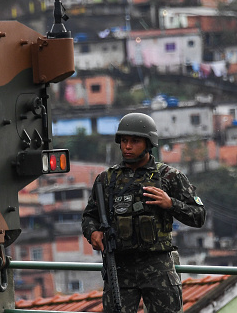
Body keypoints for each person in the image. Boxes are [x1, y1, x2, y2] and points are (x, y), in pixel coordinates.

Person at [82, 112, 206, 313]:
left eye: (134, 141)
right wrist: (93, 233)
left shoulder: (168, 176)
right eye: (123, 141)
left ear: (148, 143)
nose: (127, 146)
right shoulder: (106, 180)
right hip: (120, 269)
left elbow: (199, 216)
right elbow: (89, 216)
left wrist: (170, 203)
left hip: (158, 267)